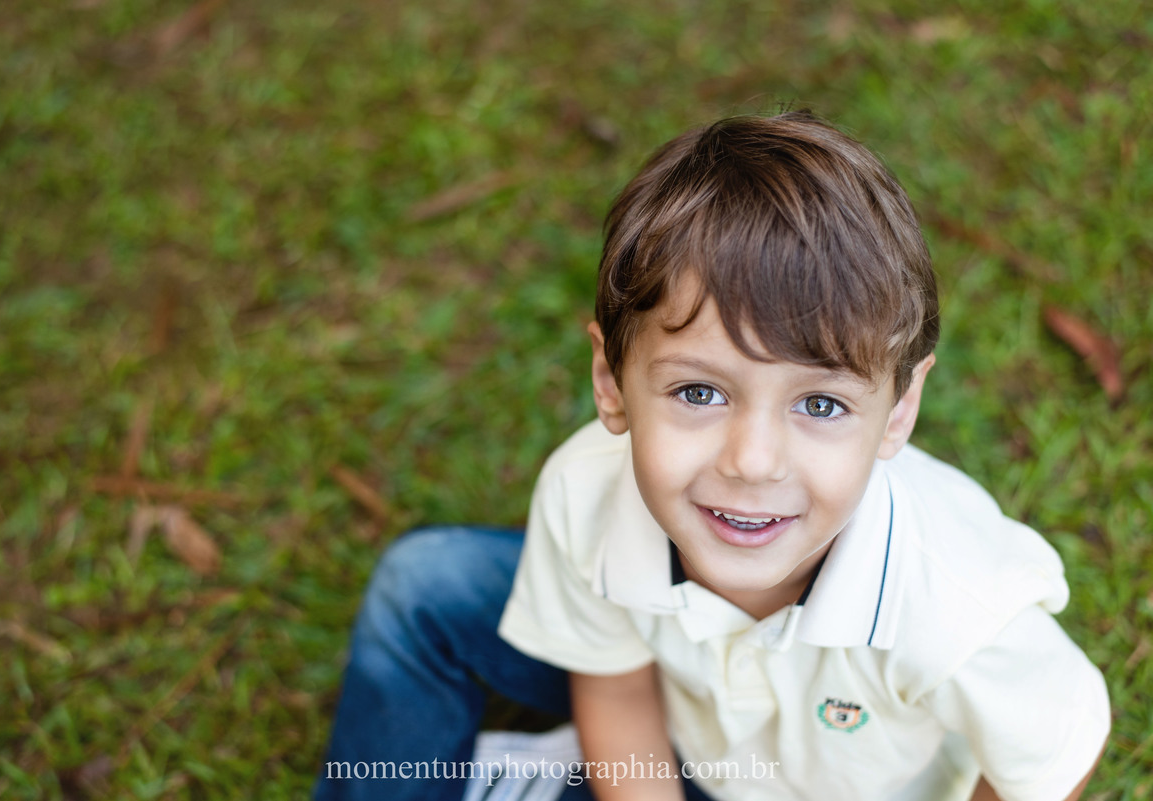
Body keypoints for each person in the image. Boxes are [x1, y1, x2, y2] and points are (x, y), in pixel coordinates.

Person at [314, 111, 1110, 801]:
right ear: (611, 381)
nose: (753, 461)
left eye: (821, 404)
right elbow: (616, 680)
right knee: (425, 585)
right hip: (679, 736)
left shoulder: (956, 605)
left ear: (900, 409)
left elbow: (1056, 752)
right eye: (699, 392)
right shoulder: (587, 491)